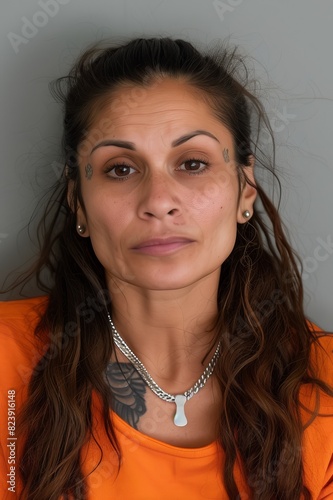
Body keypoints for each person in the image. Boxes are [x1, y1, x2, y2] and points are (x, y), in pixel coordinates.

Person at [0, 36, 332, 500]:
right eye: (120, 169)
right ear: (78, 202)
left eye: (192, 163)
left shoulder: (325, 389)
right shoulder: (6, 363)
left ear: (245, 191)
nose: (158, 202)